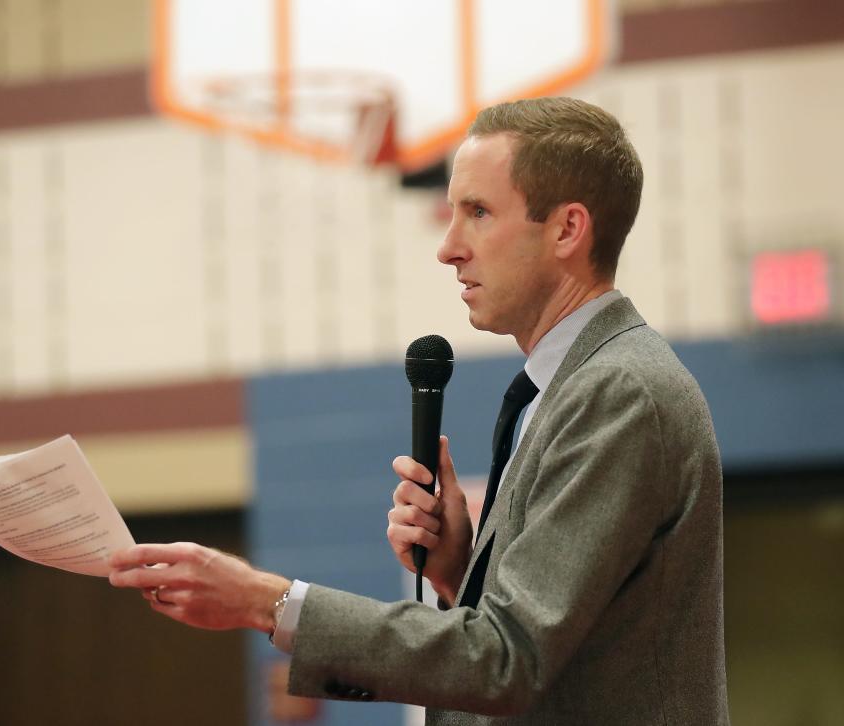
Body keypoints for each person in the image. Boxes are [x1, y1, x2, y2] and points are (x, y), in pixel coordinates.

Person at [109, 97, 729, 725]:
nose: (448, 248)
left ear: (568, 229)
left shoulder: (619, 392)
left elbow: (507, 661)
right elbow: (558, 652)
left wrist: (266, 601)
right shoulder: (571, 387)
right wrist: (460, 574)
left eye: (479, 213)